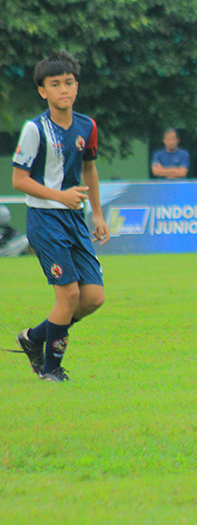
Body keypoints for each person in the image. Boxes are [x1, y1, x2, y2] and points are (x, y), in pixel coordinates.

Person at [11, 50, 109, 383]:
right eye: (55, 84)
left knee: (93, 297)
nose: (63, 90)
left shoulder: (87, 125)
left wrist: (97, 215)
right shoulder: (35, 129)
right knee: (68, 295)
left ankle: (35, 337)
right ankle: (51, 370)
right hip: (44, 218)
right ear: (43, 91)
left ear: (77, 87)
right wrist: (61, 196)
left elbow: (89, 169)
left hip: (74, 219)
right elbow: (19, 180)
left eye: (69, 83)